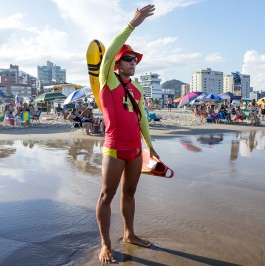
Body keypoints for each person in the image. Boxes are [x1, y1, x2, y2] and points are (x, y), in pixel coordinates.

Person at [96, 4, 158, 264]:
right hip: (114, 148)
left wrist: (150, 146)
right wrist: (132, 25)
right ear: (117, 63)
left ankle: (129, 234)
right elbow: (108, 52)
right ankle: (106, 244)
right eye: (129, 59)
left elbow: (142, 118)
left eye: (135, 60)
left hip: (134, 149)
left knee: (129, 193)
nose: (134, 63)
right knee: (106, 195)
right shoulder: (108, 81)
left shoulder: (137, 89)